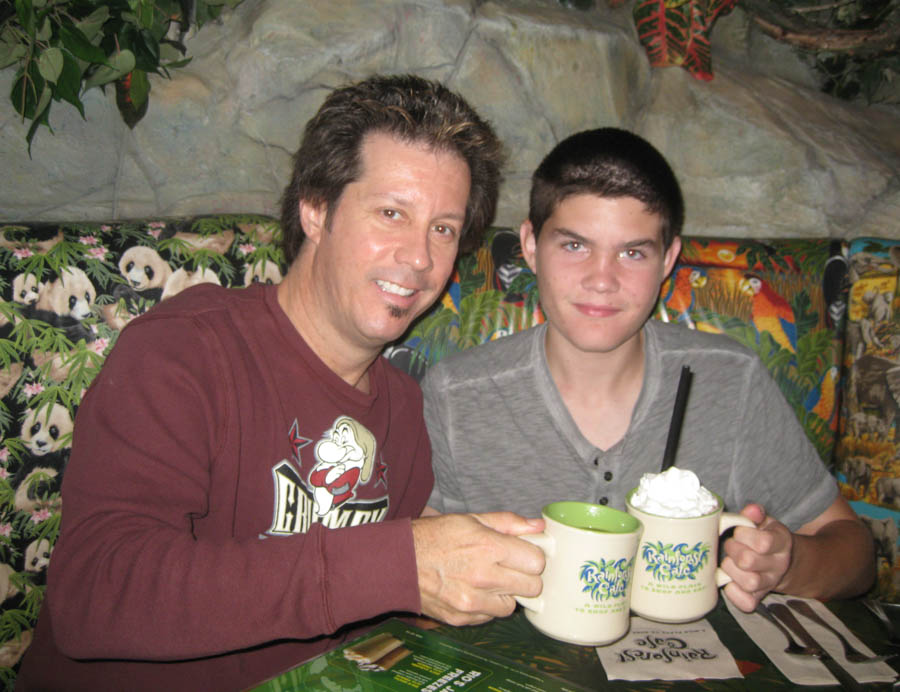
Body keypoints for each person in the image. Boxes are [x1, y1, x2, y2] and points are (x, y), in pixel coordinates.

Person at [16, 75, 545, 692]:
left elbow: (377, 616)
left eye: (443, 229)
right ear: (316, 209)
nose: (420, 257)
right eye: (391, 213)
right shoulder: (184, 351)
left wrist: (460, 570)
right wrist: (402, 563)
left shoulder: (404, 409)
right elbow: (97, 595)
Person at [422, 127, 875, 612]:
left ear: (668, 260)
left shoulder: (729, 380)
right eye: (574, 246)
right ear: (530, 245)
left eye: (632, 252)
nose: (602, 279)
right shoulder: (455, 395)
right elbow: (419, 562)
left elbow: (856, 555)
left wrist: (788, 562)